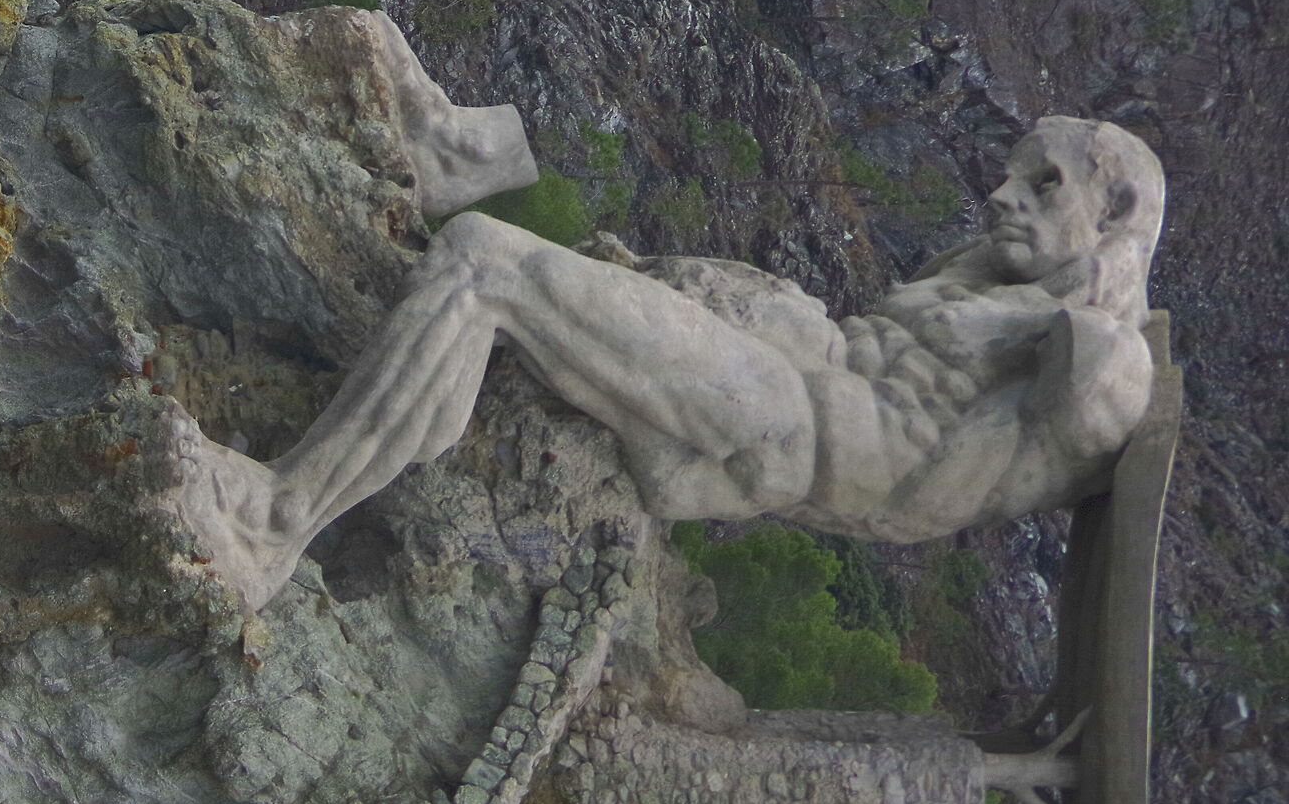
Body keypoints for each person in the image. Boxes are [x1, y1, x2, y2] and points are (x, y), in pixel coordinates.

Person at [159, 102, 1166, 612]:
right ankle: (470, 146)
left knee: (483, 267)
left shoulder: (1106, 361)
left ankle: (274, 525)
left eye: (1045, 185)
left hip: (790, 430)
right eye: (1012, 172)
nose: (1004, 197)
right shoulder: (998, 262)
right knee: (524, 266)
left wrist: (1034, 314)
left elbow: (1099, 365)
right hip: (788, 359)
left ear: (1114, 219)